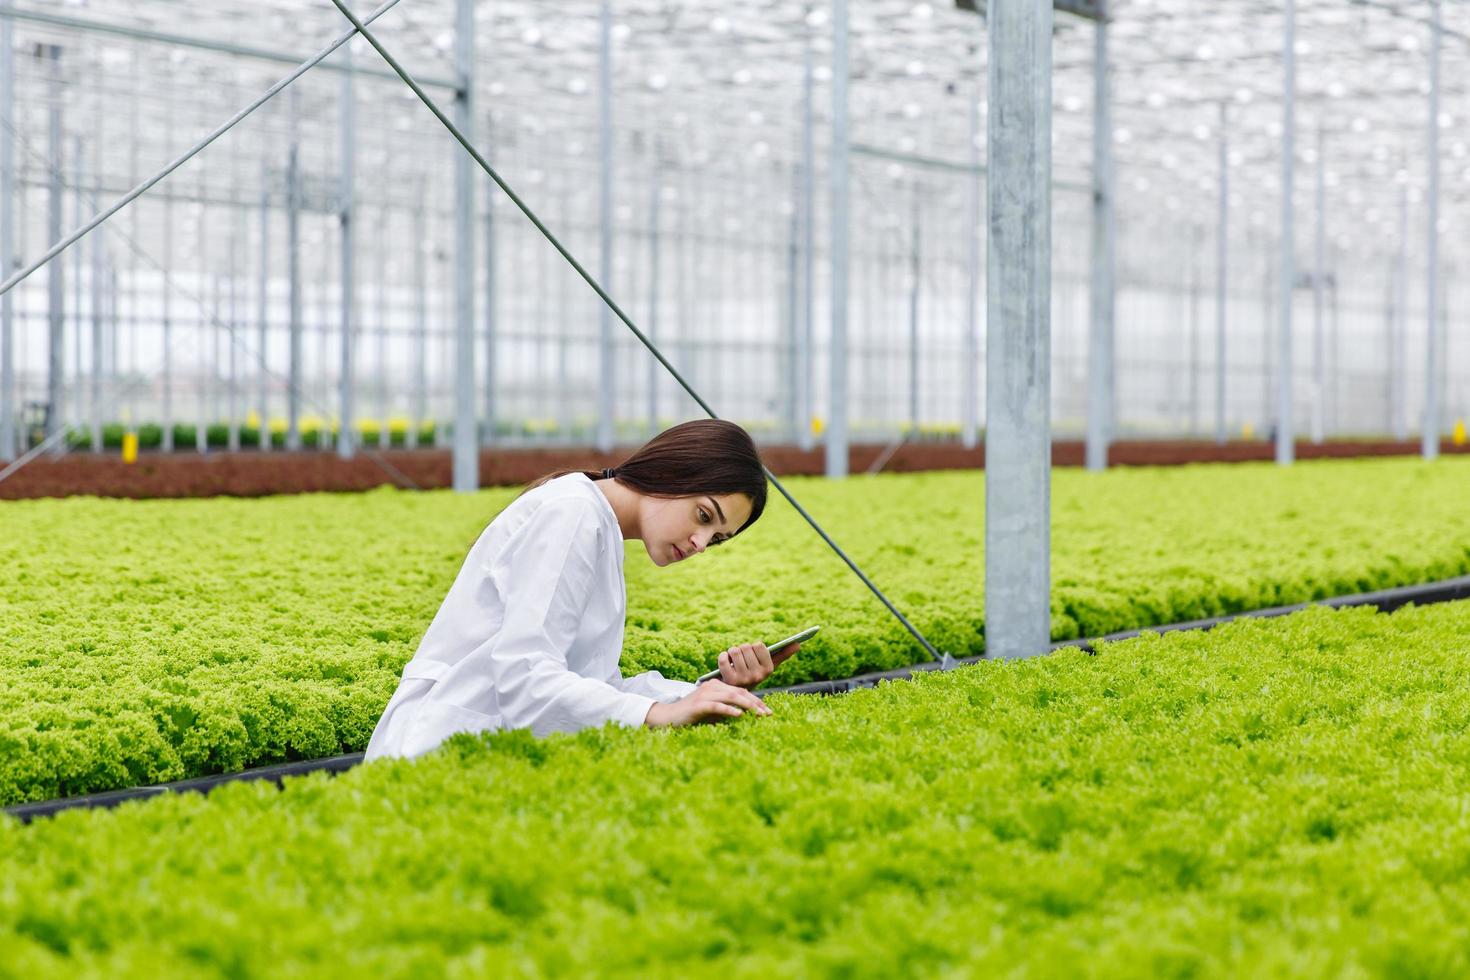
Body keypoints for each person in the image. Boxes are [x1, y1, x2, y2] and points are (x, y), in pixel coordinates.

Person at [364, 418, 802, 761]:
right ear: (675, 473)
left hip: (478, 748)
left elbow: (594, 685)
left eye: (717, 539)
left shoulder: (595, 522)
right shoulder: (573, 513)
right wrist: (658, 714)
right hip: (435, 748)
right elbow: (526, 678)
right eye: (705, 517)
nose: (700, 545)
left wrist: (706, 693)